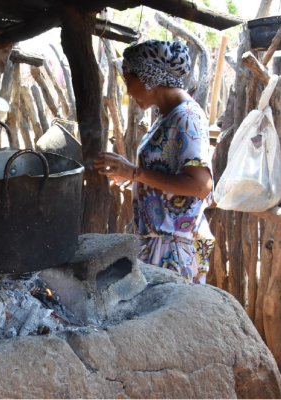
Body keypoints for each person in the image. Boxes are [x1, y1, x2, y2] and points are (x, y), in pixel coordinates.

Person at [94, 40, 214, 284]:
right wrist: (134, 180)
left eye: (128, 81)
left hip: (173, 248)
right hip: (160, 241)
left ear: (149, 77)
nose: (127, 90)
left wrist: (136, 173)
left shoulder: (187, 117)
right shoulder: (167, 115)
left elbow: (200, 186)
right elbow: (167, 173)